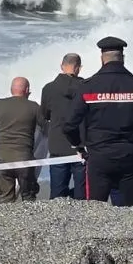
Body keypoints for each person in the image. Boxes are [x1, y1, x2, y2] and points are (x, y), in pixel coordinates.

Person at [63, 36, 133, 205]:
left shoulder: (88, 87)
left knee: (96, 212)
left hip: (99, 156)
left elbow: (69, 125)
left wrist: (79, 145)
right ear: (122, 57)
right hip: (131, 156)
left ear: (102, 58)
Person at [0, 77, 46, 202]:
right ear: (27, 90)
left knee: (5, 201)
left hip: (3, 160)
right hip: (25, 160)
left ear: (11, 89)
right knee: (28, 198)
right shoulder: (34, 107)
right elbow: (47, 128)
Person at [40, 53, 86, 200]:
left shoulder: (48, 88)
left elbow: (45, 115)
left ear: (62, 66)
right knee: (83, 194)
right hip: (81, 145)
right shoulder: (85, 87)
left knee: (57, 195)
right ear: (78, 68)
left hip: (57, 144)